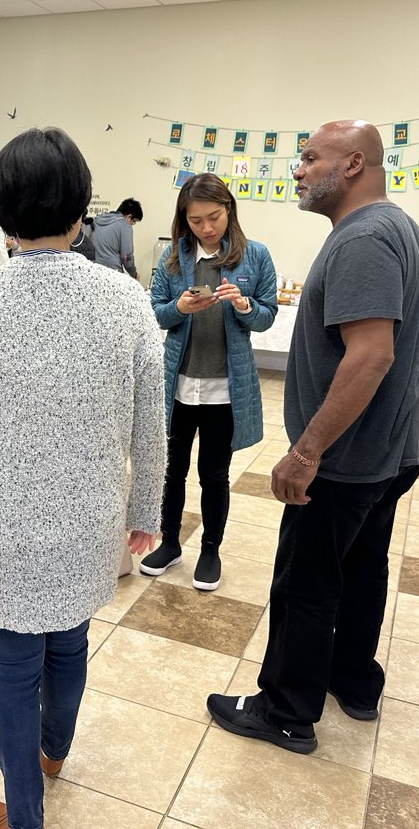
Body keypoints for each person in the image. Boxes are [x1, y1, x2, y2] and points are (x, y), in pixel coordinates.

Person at [0, 128, 167, 829]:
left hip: (1, 519)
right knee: (70, 641)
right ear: (80, 208)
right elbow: (150, 424)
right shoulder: (125, 300)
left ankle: (24, 812)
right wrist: (146, 511)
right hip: (89, 518)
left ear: (1, 211)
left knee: (12, 666)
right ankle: (54, 751)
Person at [206, 120, 419, 755]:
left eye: (310, 158)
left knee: (305, 581)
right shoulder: (401, 228)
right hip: (394, 446)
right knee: (362, 564)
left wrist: (307, 450)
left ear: (353, 163)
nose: (298, 170)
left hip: (348, 457)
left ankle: (285, 710)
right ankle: (353, 680)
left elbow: (372, 356)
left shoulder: (362, 239)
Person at [143, 173, 278, 590]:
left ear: (229, 210)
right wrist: (180, 308)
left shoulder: (255, 255)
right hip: (179, 386)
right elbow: (156, 312)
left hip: (225, 389)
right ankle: (169, 544)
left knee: (214, 475)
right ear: (184, 219)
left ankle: (210, 550)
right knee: (172, 472)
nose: (206, 227)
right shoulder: (174, 258)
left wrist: (244, 305)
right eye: (196, 220)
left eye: (214, 217)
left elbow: (267, 316)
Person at [91, 197, 143, 279]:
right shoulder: (125, 226)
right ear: (129, 217)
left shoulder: (97, 221)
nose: (133, 224)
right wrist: (134, 274)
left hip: (94, 272)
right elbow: (126, 257)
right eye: (134, 221)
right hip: (113, 274)